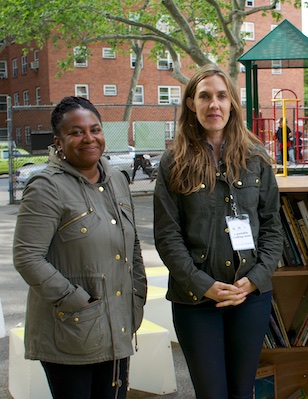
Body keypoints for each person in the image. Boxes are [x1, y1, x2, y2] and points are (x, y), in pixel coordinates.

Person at [153, 64, 283, 399]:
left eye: (222, 96)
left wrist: (254, 279)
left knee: (242, 392)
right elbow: (168, 238)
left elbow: (272, 228)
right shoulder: (173, 163)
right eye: (205, 96)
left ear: (232, 104)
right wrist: (204, 285)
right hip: (195, 300)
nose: (214, 105)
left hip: (249, 297)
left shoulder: (257, 158)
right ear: (191, 104)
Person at [12, 96, 147, 399]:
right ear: (58, 141)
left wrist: (137, 294)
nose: (89, 138)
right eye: (76, 132)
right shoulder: (47, 187)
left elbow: (132, 242)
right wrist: (76, 300)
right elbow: (27, 256)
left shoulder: (115, 179)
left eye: (95, 129)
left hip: (117, 324)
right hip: (71, 331)